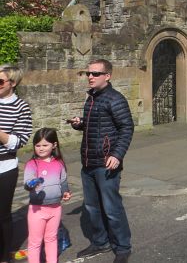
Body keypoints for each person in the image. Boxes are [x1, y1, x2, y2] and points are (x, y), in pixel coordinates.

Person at [70, 59, 134, 263]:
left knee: (112, 208)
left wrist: (117, 155)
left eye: (95, 74)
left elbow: (127, 128)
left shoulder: (115, 99)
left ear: (107, 76)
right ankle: (100, 242)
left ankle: (123, 247)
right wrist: (80, 123)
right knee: (92, 207)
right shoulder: (92, 98)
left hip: (106, 163)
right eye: (88, 73)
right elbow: (96, 126)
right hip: (88, 161)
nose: (90, 77)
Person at [24, 128, 71, 263]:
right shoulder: (32, 164)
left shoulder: (59, 163)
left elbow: (63, 182)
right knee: (35, 242)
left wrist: (66, 192)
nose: (41, 148)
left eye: (45, 145)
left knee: (51, 238)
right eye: (38, 145)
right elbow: (27, 184)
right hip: (37, 210)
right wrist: (31, 183)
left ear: (54, 145)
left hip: (56, 208)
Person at [0, 65, 32, 263]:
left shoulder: (21, 107)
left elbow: (19, 141)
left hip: (5, 167)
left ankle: (3, 257)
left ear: (12, 83)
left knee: (2, 215)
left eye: (0, 81)